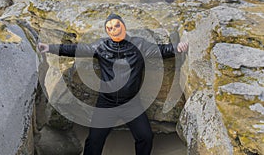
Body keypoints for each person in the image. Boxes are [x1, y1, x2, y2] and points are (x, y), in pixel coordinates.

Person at [38, 13, 189, 155]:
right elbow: (77, 49)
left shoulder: (139, 45)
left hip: (131, 103)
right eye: (109, 28)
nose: (113, 30)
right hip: (107, 103)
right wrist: (50, 48)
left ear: (123, 26)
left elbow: (161, 50)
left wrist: (178, 47)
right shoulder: (102, 46)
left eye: (116, 26)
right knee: (94, 140)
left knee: (146, 137)